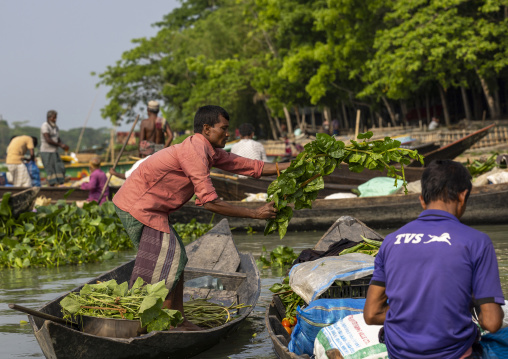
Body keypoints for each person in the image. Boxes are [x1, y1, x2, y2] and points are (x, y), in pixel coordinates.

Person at [113, 105, 291, 330]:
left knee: (178, 259)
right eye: (223, 128)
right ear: (207, 129)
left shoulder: (209, 150)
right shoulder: (195, 152)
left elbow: (250, 167)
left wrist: (293, 165)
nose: (227, 133)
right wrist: (255, 213)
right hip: (138, 208)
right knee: (172, 260)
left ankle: (178, 320)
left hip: (152, 210)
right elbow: (209, 202)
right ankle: (164, 323)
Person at [364, 159, 504, 358]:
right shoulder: (477, 242)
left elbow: (371, 314)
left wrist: (415, 311)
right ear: (463, 197)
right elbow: (492, 322)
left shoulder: (391, 241)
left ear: (422, 200)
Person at [40, 110, 69, 186]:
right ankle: (52, 184)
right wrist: (60, 145)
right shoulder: (45, 126)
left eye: (56, 118)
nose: (55, 120)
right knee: (50, 169)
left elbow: (57, 139)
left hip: (54, 151)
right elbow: (48, 140)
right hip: (46, 151)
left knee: (60, 167)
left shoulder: (56, 127)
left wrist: (63, 145)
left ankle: (61, 183)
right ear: (49, 118)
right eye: (53, 118)